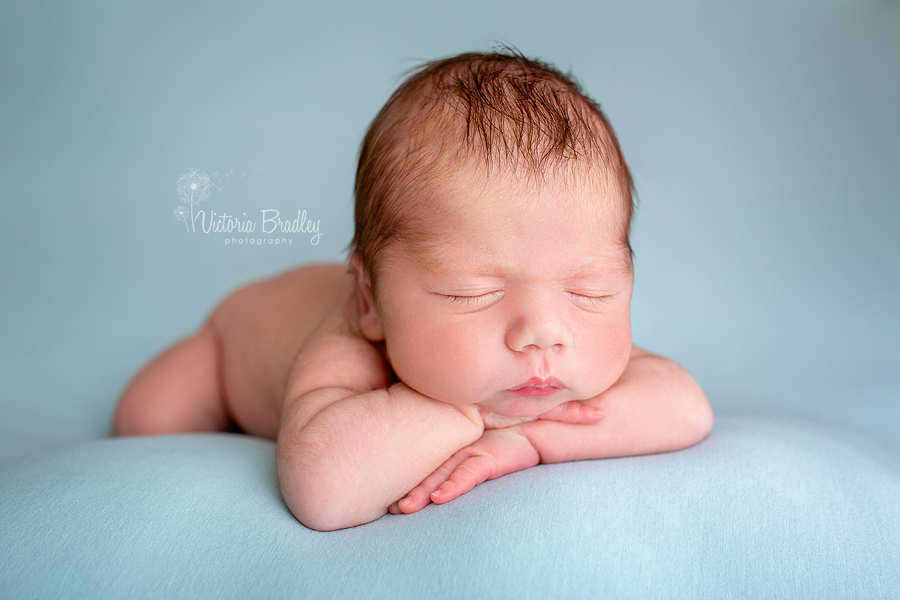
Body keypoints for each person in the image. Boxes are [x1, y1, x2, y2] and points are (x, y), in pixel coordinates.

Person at [115, 50, 714, 531]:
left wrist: (530, 440)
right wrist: (471, 413)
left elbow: (685, 407)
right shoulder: (347, 346)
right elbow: (324, 492)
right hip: (233, 338)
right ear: (372, 302)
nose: (543, 332)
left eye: (590, 290)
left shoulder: (560, 347)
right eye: (470, 292)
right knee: (147, 416)